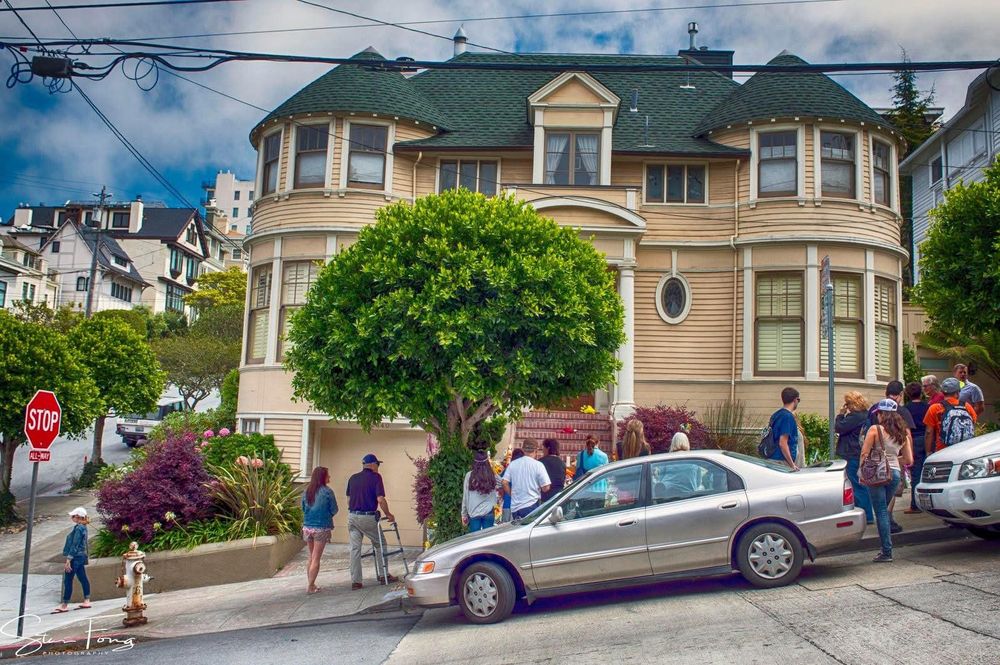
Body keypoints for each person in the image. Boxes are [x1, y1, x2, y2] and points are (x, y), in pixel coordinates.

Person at [860, 399, 913, 563]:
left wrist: (863, 472)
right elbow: (909, 459)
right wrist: (892, 462)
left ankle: (887, 551)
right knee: (885, 510)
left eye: (878, 414)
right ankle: (886, 550)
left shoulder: (875, 430)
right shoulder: (902, 432)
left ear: (881, 414)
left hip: (877, 474)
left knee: (881, 512)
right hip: (895, 474)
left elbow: (864, 454)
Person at [346, 454, 397, 590]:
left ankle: (356, 581)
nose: (378, 468)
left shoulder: (353, 478)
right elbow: (380, 499)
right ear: (373, 464)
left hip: (352, 516)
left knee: (355, 549)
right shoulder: (376, 477)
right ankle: (383, 574)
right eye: (378, 465)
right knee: (380, 543)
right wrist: (388, 514)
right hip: (367, 517)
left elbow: (348, 500)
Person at [836, 391, 873, 523]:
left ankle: (867, 516)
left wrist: (840, 414)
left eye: (848, 403)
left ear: (852, 403)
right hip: (858, 452)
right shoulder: (866, 415)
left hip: (852, 453)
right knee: (860, 484)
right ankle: (866, 514)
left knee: (857, 485)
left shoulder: (854, 417)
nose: (847, 407)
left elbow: (839, 427)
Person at [301, 466, 338, 594]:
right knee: (316, 558)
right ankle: (310, 586)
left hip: (307, 526)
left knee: (311, 557)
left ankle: (311, 583)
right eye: (328, 475)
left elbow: (303, 508)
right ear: (323, 477)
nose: (330, 477)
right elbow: (334, 509)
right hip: (321, 527)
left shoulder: (307, 491)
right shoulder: (327, 492)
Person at [924, 377, 978, 453]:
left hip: (942, 451)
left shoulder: (935, 408)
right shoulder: (967, 407)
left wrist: (928, 452)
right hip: (964, 450)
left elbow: (929, 432)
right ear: (958, 393)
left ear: (942, 392)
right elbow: (972, 425)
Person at [53, 507, 90, 613]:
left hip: (75, 557)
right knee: (82, 577)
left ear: (78, 517)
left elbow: (75, 544)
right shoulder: (83, 527)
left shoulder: (79, 528)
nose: (71, 517)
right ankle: (86, 599)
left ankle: (64, 604)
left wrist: (69, 559)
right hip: (81, 556)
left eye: (73, 516)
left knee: (68, 579)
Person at [502, 439, 550, 520]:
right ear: (536, 450)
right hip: (532, 505)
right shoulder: (538, 465)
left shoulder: (513, 464)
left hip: (515, 508)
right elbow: (546, 487)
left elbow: (504, 482)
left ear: (523, 449)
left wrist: (511, 494)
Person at [903, 382, 930, 514]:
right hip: (927, 439)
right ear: (921, 393)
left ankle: (915, 505)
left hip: (913, 440)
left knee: (915, 474)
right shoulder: (928, 407)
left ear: (907, 394)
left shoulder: (906, 409)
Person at [462, 451, 501, 532]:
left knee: (474, 541)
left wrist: (464, 514)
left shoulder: (469, 476)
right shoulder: (491, 475)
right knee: (486, 540)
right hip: (489, 512)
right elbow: (502, 483)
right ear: (487, 462)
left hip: (474, 513)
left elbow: (465, 497)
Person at [768, 387, 801, 471]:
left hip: (772, 457)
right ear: (795, 400)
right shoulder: (787, 417)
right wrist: (792, 464)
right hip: (781, 461)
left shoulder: (776, 415)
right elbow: (783, 443)